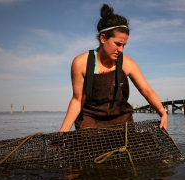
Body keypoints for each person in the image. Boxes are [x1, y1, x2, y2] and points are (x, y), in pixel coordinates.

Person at [59, 4, 167, 132]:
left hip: (121, 120)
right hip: (90, 122)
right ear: (103, 38)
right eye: (117, 44)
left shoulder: (127, 63)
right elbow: (77, 100)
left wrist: (162, 113)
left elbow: (147, 91)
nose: (120, 49)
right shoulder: (80, 63)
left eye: (124, 45)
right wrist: (62, 132)